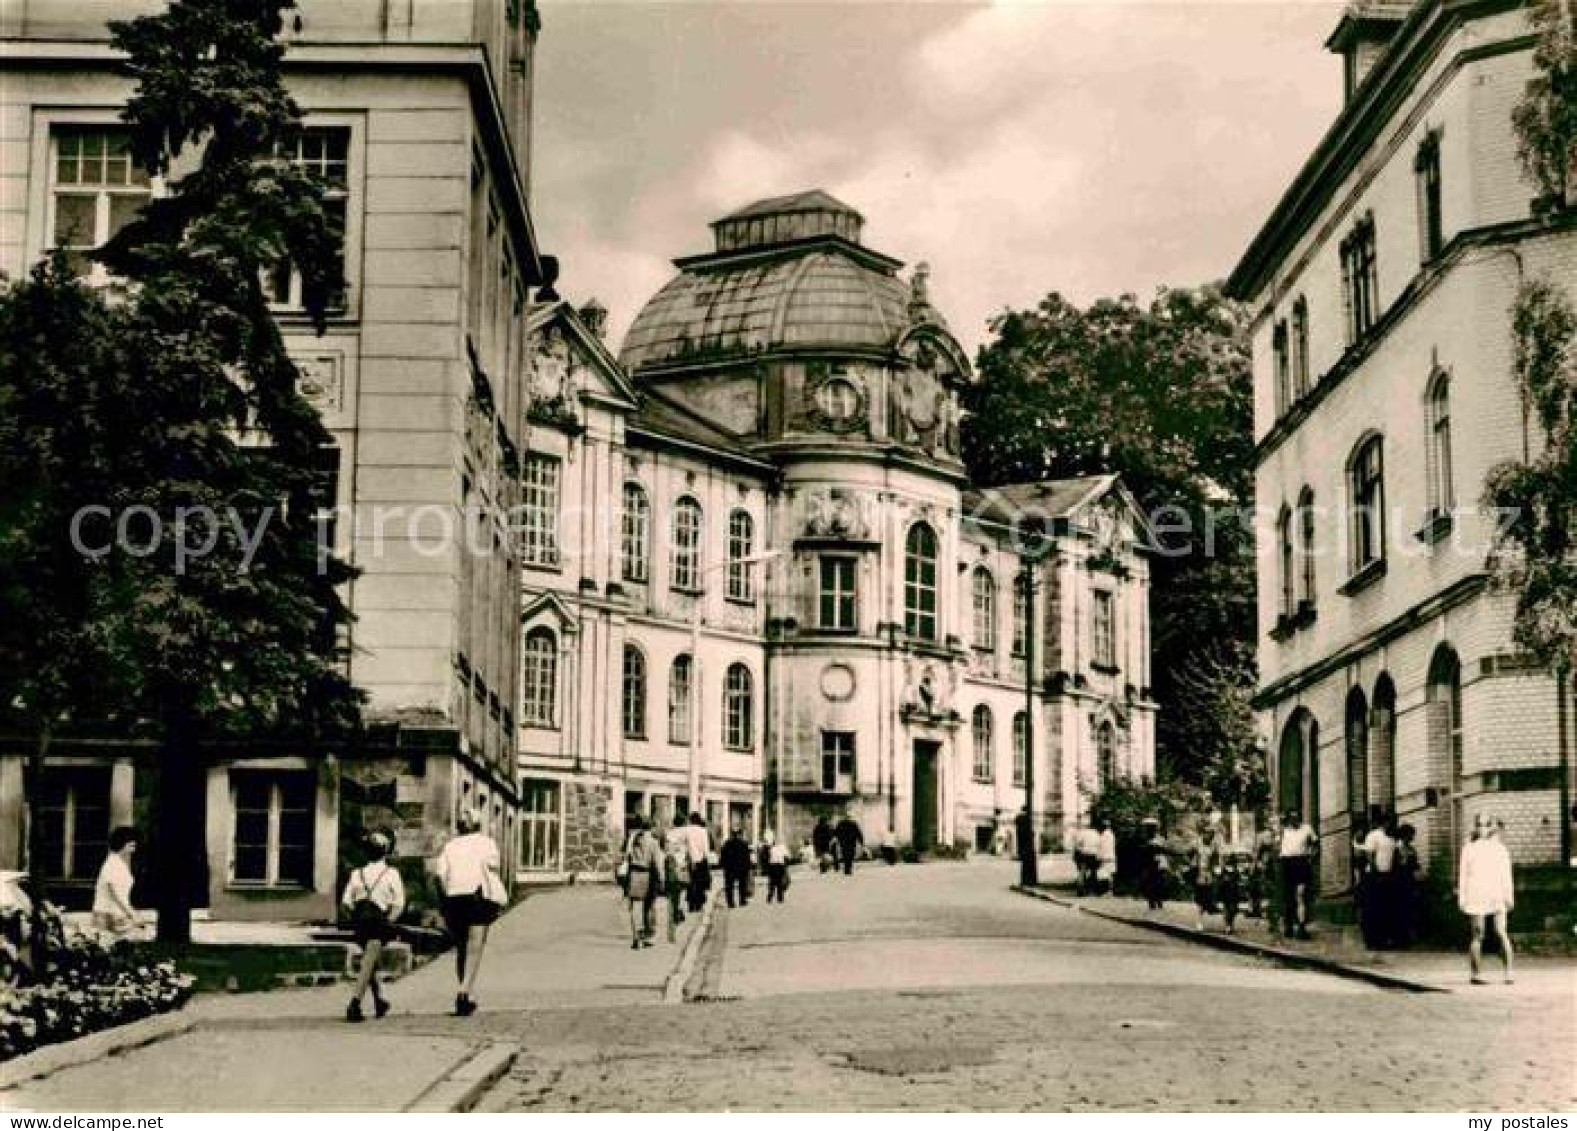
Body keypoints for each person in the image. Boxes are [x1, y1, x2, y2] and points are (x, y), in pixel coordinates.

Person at [435, 809, 505, 1016]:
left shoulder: (449, 846)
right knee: (475, 948)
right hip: (477, 896)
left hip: (454, 899)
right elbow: (494, 866)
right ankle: (464, 992)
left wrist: (444, 900)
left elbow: (439, 876)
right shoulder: (487, 843)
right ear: (477, 824)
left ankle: (467, 992)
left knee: (462, 948)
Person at [341, 831, 405, 1022]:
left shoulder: (356, 874)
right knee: (369, 962)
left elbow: (346, 902)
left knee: (370, 961)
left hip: (360, 920)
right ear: (385, 852)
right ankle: (355, 1003)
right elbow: (399, 903)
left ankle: (380, 1000)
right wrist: (389, 921)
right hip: (378, 920)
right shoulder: (391, 873)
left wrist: (354, 917)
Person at [1458, 812, 1515, 985]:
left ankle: (1509, 972)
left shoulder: (1500, 849)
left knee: (1501, 932)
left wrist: (1509, 896)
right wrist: (1462, 897)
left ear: (1492, 827)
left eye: (1485, 824)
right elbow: (1463, 875)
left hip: (1496, 893)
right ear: (1475, 827)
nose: (1482, 828)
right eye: (1479, 825)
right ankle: (1476, 974)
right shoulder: (1468, 849)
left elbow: (1506, 875)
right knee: (1477, 934)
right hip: (1477, 894)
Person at [92, 826, 140, 937]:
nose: (134, 846)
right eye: (131, 843)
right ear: (121, 843)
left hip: (116, 913)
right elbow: (116, 894)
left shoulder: (118, 863)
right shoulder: (112, 864)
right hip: (108, 914)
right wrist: (132, 914)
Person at [1278, 808, 1318, 939]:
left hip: (1301, 862)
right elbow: (1278, 846)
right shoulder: (1284, 830)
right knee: (1288, 896)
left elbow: (1315, 844)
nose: (1294, 821)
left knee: (1300, 895)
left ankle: (1301, 926)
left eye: (1297, 818)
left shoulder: (1307, 829)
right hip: (1287, 863)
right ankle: (1288, 926)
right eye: (1292, 818)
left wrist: (1311, 857)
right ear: (1289, 819)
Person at [1359, 816, 1398, 948]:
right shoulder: (1374, 836)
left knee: (1385, 909)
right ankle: (1371, 940)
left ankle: (1383, 938)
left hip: (1387, 876)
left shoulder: (1392, 838)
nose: (1390, 825)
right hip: (1374, 876)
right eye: (1389, 823)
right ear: (1384, 823)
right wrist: (1375, 873)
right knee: (1372, 909)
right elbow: (1370, 855)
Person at [622, 817, 662, 947]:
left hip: (633, 874)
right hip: (648, 875)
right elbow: (657, 863)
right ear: (651, 827)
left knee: (634, 907)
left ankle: (635, 936)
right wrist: (662, 879)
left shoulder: (632, 839)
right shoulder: (653, 842)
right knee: (649, 906)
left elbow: (626, 856)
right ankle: (648, 936)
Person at [1188, 823, 1223, 931]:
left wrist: (1217, 869)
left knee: (1208, 895)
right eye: (1208, 834)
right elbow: (1189, 853)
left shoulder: (1214, 846)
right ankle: (1199, 921)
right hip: (1199, 873)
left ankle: (1211, 907)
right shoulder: (1197, 843)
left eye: (1212, 834)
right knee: (1201, 898)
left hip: (1209, 874)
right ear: (1203, 834)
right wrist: (1192, 863)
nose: (1210, 836)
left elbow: (1217, 859)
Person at [1392, 823, 1421, 947]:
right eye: (1410, 835)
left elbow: (1415, 865)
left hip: (1409, 883)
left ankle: (1406, 936)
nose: (1412, 838)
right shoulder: (1397, 848)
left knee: (1409, 910)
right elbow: (1394, 866)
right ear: (1404, 835)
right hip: (1399, 883)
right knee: (1400, 911)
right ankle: (1399, 937)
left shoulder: (1410, 849)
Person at [1249, 814, 1281, 925]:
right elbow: (1257, 852)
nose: (1274, 825)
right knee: (1266, 888)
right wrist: (1255, 865)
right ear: (1267, 824)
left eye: (1276, 822)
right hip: (1267, 865)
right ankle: (1263, 911)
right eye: (1272, 822)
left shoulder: (1283, 834)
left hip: (1281, 864)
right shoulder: (1262, 836)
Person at [684, 812, 712, 912]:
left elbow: (684, 846)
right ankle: (699, 904)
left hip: (689, 860)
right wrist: (707, 861)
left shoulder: (686, 830)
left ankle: (691, 904)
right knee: (700, 883)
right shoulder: (703, 831)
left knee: (690, 883)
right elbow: (706, 848)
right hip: (700, 860)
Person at [1139, 818, 1169, 911]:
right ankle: (1151, 903)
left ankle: (1159, 902)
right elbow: (1143, 851)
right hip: (1149, 863)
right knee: (1149, 884)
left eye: (1151, 828)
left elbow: (1164, 849)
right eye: (1148, 828)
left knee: (1158, 883)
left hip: (1158, 863)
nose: (1149, 830)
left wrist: (1156, 848)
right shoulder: (1146, 839)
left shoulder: (1160, 838)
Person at [720, 826, 753, 907]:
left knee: (729, 886)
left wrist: (723, 865)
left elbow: (723, 856)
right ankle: (742, 900)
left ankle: (730, 903)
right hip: (741, 868)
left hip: (730, 868)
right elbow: (747, 857)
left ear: (732, 834)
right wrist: (748, 866)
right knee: (742, 885)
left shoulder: (727, 843)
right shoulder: (744, 844)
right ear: (739, 834)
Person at [1071, 820, 1100, 896]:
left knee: (1082, 871)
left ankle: (1081, 890)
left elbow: (1078, 844)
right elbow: (1099, 844)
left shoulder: (1082, 833)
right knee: (1093, 872)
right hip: (1094, 854)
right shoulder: (1096, 833)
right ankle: (1092, 890)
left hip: (1084, 854)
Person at [763, 830, 790, 903]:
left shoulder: (771, 848)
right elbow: (787, 857)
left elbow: (767, 858)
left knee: (772, 882)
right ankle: (780, 898)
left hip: (772, 866)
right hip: (780, 865)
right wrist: (785, 866)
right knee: (779, 882)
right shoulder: (782, 847)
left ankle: (770, 897)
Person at [1095, 819, 1118, 896]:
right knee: (1110, 875)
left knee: (1103, 875)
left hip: (1105, 857)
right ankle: (1110, 891)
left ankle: (1105, 890)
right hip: (1111, 856)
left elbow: (1101, 847)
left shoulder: (1103, 836)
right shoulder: (1112, 834)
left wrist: (1098, 857)